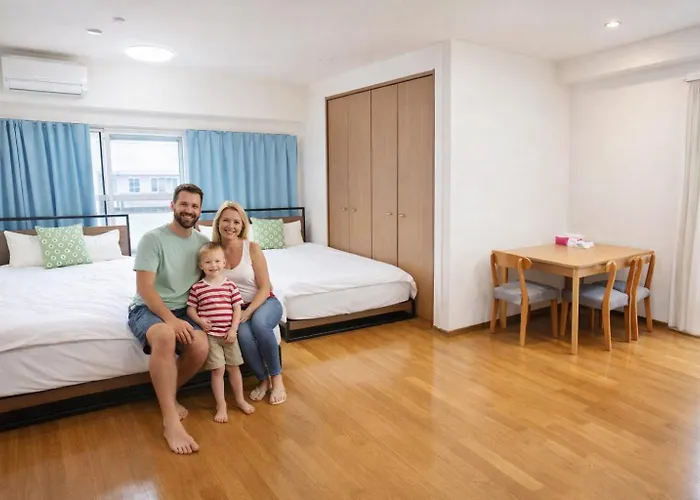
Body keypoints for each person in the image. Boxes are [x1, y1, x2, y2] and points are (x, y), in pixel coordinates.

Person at [127, 183, 210, 455]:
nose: (189, 210)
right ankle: (170, 421)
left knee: (201, 345)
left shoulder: (202, 244)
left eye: (194, 206)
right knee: (164, 336)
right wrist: (170, 321)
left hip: (183, 310)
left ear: (200, 211)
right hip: (149, 308)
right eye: (184, 204)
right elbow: (145, 288)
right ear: (172, 205)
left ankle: (167, 396)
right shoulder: (152, 239)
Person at [211, 201, 287, 405]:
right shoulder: (213, 252)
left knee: (260, 325)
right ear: (218, 223)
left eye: (236, 222)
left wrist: (250, 311)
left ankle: (277, 378)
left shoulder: (251, 248)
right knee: (243, 336)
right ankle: (263, 379)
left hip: (264, 302)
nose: (231, 226)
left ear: (243, 225)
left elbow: (265, 287)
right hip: (238, 309)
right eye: (226, 220)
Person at [186, 242, 255, 421]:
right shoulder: (197, 288)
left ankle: (240, 400)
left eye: (217, 261)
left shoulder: (230, 286)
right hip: (211, 336)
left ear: (224, 263)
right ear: (201, 265)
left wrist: (233, 329)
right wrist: (199, 321)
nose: (213, 265)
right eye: (208, 262)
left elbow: (237, 308)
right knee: (218, 370)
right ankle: (221, 405)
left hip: (229, 335)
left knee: (234, 368)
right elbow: (190, 309)